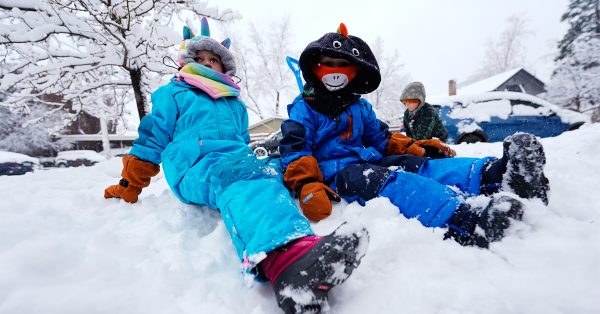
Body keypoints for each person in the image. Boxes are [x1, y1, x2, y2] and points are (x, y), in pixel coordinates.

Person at [103, 17, 369, 313]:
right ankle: (287, 261)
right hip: (196, 167)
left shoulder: (234, 103)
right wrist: (130, 184)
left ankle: (312, 204)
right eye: (199, 58)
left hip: (234, 162)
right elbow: (152, 137)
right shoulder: (174, 93)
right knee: (241, 174)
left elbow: (242, 142)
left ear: (224, 67)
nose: (207, 63)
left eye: (213, 59)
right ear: (185, 62)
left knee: (271, 168)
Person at [279, 23, 550, 249]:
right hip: (338, 176)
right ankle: (463, 219)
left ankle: (497, 175)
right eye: (328, 63)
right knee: (392, 180)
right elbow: (295, 149)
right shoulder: (304, 108)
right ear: (315, 68)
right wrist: (305, 184)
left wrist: (415, 147)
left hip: (365, 159)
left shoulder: (359, 106)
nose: (336, 70)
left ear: (356, 73)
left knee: (415, 165)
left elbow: (382, 138)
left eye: (343, 64)